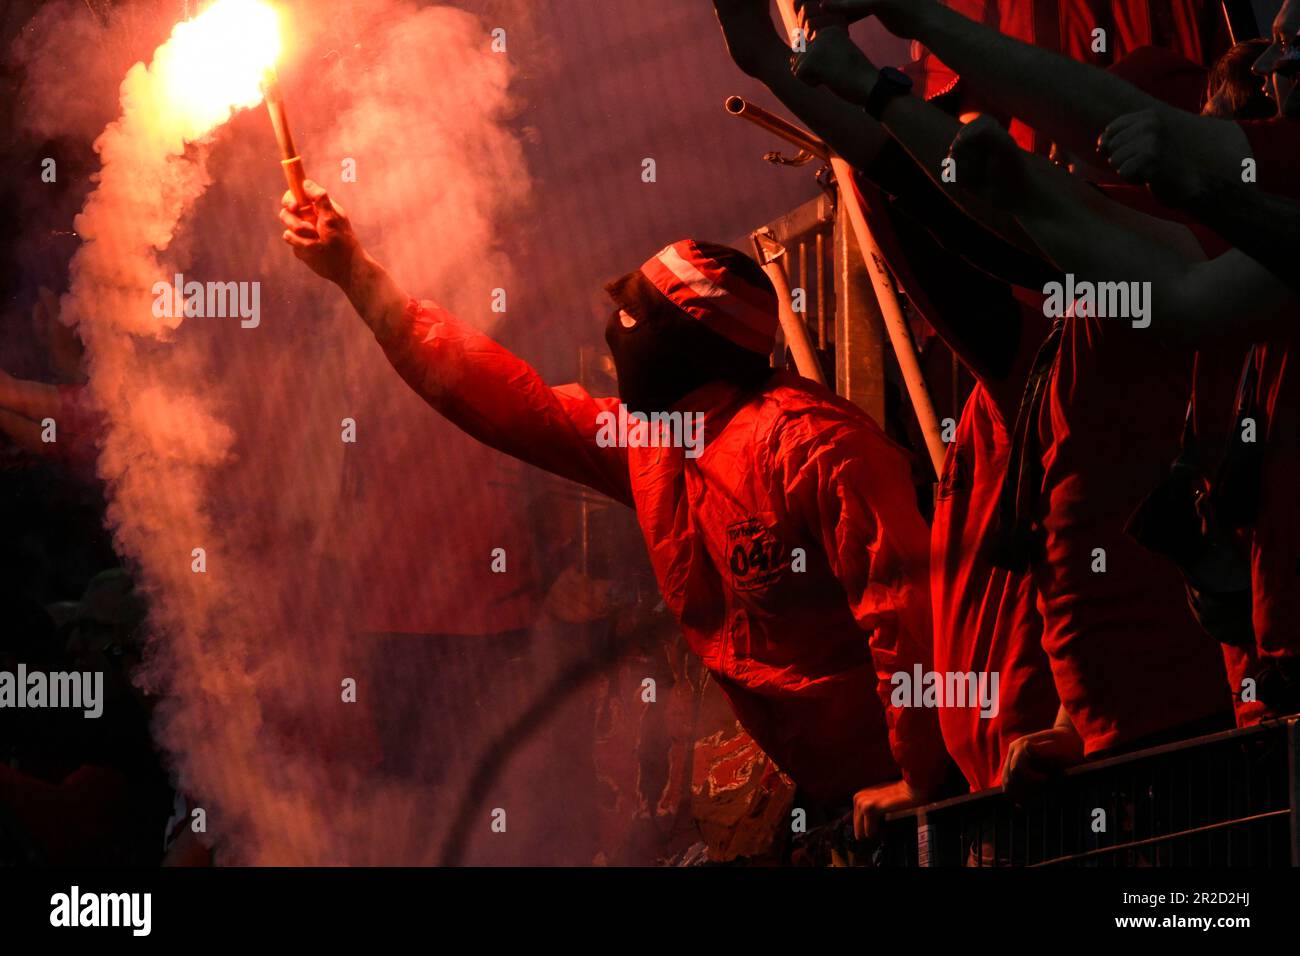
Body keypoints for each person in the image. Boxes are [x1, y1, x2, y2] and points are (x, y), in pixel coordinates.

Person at [276, 185, 951, 828]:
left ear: (684, 344)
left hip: (914, 790)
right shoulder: (653, 443)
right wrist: (357, 275)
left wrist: (921, 776)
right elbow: (512, 403)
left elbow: (906, 613)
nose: (611, 333)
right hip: (824, 785)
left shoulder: (815, 448)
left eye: (630, 318)